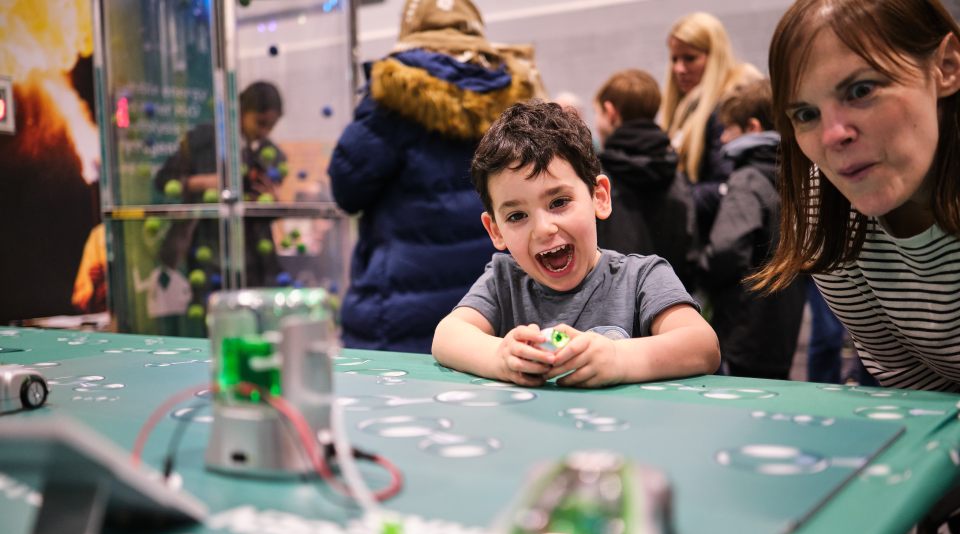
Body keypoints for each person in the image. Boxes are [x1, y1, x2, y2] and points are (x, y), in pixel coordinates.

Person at [432, 100, 720, 388]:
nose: (544, 229)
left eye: (559, 202)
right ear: (495, 230)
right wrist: (500, 357)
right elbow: (447, 336)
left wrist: (618, 359)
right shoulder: (503, 280)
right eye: (517, 215)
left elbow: (703, 346)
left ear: (600, 198)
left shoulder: (642, 277)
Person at [753, 0, 960, 392]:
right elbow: (912, 389)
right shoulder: (823, 205)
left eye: (861, 90)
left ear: (946, 67)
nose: (834, 136)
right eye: (806, 114)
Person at [329, 0, 540, 353]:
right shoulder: (510, 92)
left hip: (400, 307)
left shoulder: (392, 97)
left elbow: (347, 187)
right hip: (493, 299)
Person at [698, 78, 805, 379]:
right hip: (783, 327)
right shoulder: (793, 177)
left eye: (729, 129)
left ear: (753, 128)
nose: (722, 139)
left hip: (744, 327)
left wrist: (700, 272)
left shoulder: (747, 179)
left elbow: (726, 249)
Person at [153, 81, 286, 324]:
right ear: (242, 112)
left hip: (254, 262)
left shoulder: (269, 154)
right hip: (208, 254)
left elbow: (265, 211)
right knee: (217, 327)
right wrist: (205, 182)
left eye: (271, 125)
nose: (265, 132)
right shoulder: (203, 141)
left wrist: (272, 202)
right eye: (260, 123)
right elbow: (163, 179)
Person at [660, 12, 762, 241]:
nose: (679, 69)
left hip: (726, 247)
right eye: (674, 59)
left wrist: (670, 201)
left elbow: (726, 186)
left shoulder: (727, 109)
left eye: (689, 58)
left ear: (713, 56)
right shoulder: (688, 108)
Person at [593, 69, 696, 291]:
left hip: (612, 306)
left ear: (610, 113)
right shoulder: (676, 175)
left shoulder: (598, 179)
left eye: (599, 113)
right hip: (670, 301)